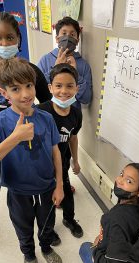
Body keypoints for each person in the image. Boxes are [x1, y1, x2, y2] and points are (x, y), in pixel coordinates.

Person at [0, 57, 64, 263]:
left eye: (29, 86)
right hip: (19, 192)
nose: (25, 94)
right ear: (5, 93)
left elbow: (55, 153)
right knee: (23, 229)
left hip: (46, 187)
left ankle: (45, 248)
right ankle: (29, 255)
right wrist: (14, 138)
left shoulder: (46, 118)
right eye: (16, 89)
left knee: (47, 224)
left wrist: (60, 185)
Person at [0, 12, 51, 247]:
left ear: (19, 39)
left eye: (10, 38)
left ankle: (42, 224)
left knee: (23, 178)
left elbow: (46, 104)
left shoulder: (31, 70)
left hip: (24, 138)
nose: (4, 44)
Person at [38, 63, 83, 245]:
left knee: (66, 192)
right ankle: (48, 230)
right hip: (41, 167)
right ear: (50, 88)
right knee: (46, 201)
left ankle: (69, 219)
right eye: (58, 86)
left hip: (62, 164)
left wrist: (76, 161)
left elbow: (72, 138)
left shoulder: (76, 114)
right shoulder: (41, 111)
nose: (64, 91)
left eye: (69, 86)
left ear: (76, 88)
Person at [37, 16, 92, 110]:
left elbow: (86, 99)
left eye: (72, 34)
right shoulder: (45, 60)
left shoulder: (83, 65)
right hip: (47, 113)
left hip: (72, 116)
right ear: (57, 38)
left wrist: (76, 74)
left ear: (77, 41)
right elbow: (37, 90)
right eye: (64, 33)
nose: (68, 37)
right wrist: (55, 68)